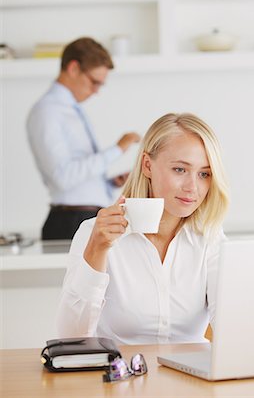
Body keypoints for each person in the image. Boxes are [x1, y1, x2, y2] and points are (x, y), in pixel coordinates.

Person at [56, 113, 229, 344]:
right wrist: (97, 250)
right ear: (147, 165)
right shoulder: (93, 233)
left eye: (204, 174)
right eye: (180, 169)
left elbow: (230, 325)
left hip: (190, 376)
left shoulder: (210, 237)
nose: (192, 187)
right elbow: (70, 340)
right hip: (119, 375)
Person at [26, 37, 140, 240]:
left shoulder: (70, 110)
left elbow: (74, 175)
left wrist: (108, 182)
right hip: (70, 222)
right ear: (73, 68)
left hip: (84, 217)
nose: (96, 91)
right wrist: (117, 149)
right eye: (94, 82)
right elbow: (63, 177)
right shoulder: (47, 112)